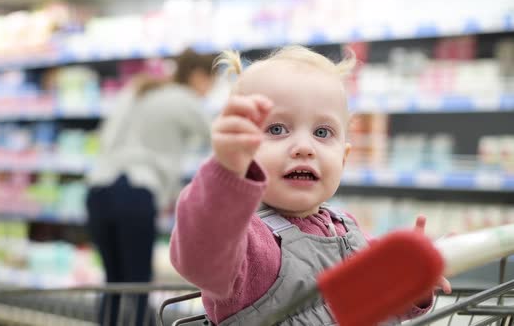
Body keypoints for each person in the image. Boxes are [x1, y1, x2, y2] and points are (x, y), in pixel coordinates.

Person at [169, 45, 452, 325]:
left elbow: (376, 305)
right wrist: (227, 173)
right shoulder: (247, 243)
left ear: (344, 157)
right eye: (277, 129)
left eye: (322, 132)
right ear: (244, 150)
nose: (304, 147)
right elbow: (201, 255)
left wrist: (411, 281)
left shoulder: (350, 231)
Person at [85, 49, 216, 326]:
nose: (210, 91)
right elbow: (221, 139)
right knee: (139, 284)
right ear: (198, 76)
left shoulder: (139, 90)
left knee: (114, 283)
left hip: (98, 190)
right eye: (211, 82)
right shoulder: (185, 99)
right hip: (135, 192)